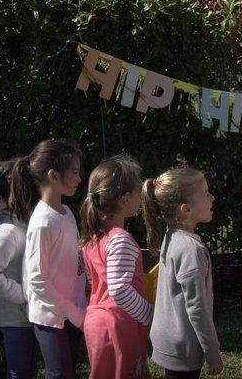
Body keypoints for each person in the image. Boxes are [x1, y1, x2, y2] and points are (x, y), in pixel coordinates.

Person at [142, 168, 223, 379]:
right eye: (206, 194)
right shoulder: (191, 250)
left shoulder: (172, 236)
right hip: (183, 346)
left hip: (169, 339)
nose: (212, 198)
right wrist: (212, 352)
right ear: (186, 209)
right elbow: (197, 309)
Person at [15, 139, 87, 379]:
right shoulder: (42, 223)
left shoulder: (66, 213)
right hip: (51, 317)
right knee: (60, 375)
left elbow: (74, 259)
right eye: (75, 172)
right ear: (54, 176)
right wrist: (72, 311)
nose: (79, 178)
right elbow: (37, 280)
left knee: (68, 371)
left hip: (72, 312)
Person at [80, 155, 153, 379]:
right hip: (117, 326)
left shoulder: (93, 238)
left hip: (96, 322)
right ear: (124, 199)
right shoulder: (120, 239)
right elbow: (119, 289)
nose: (141, 197)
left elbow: (94, 283)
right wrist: (150, 315)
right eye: (138, 192)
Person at [0, 159, 36, 378]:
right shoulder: (7, 232)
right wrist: (22, 294)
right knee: (19, 373)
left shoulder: (20, 225)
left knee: (28, 370)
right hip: (13, 319)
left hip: (24, 317)